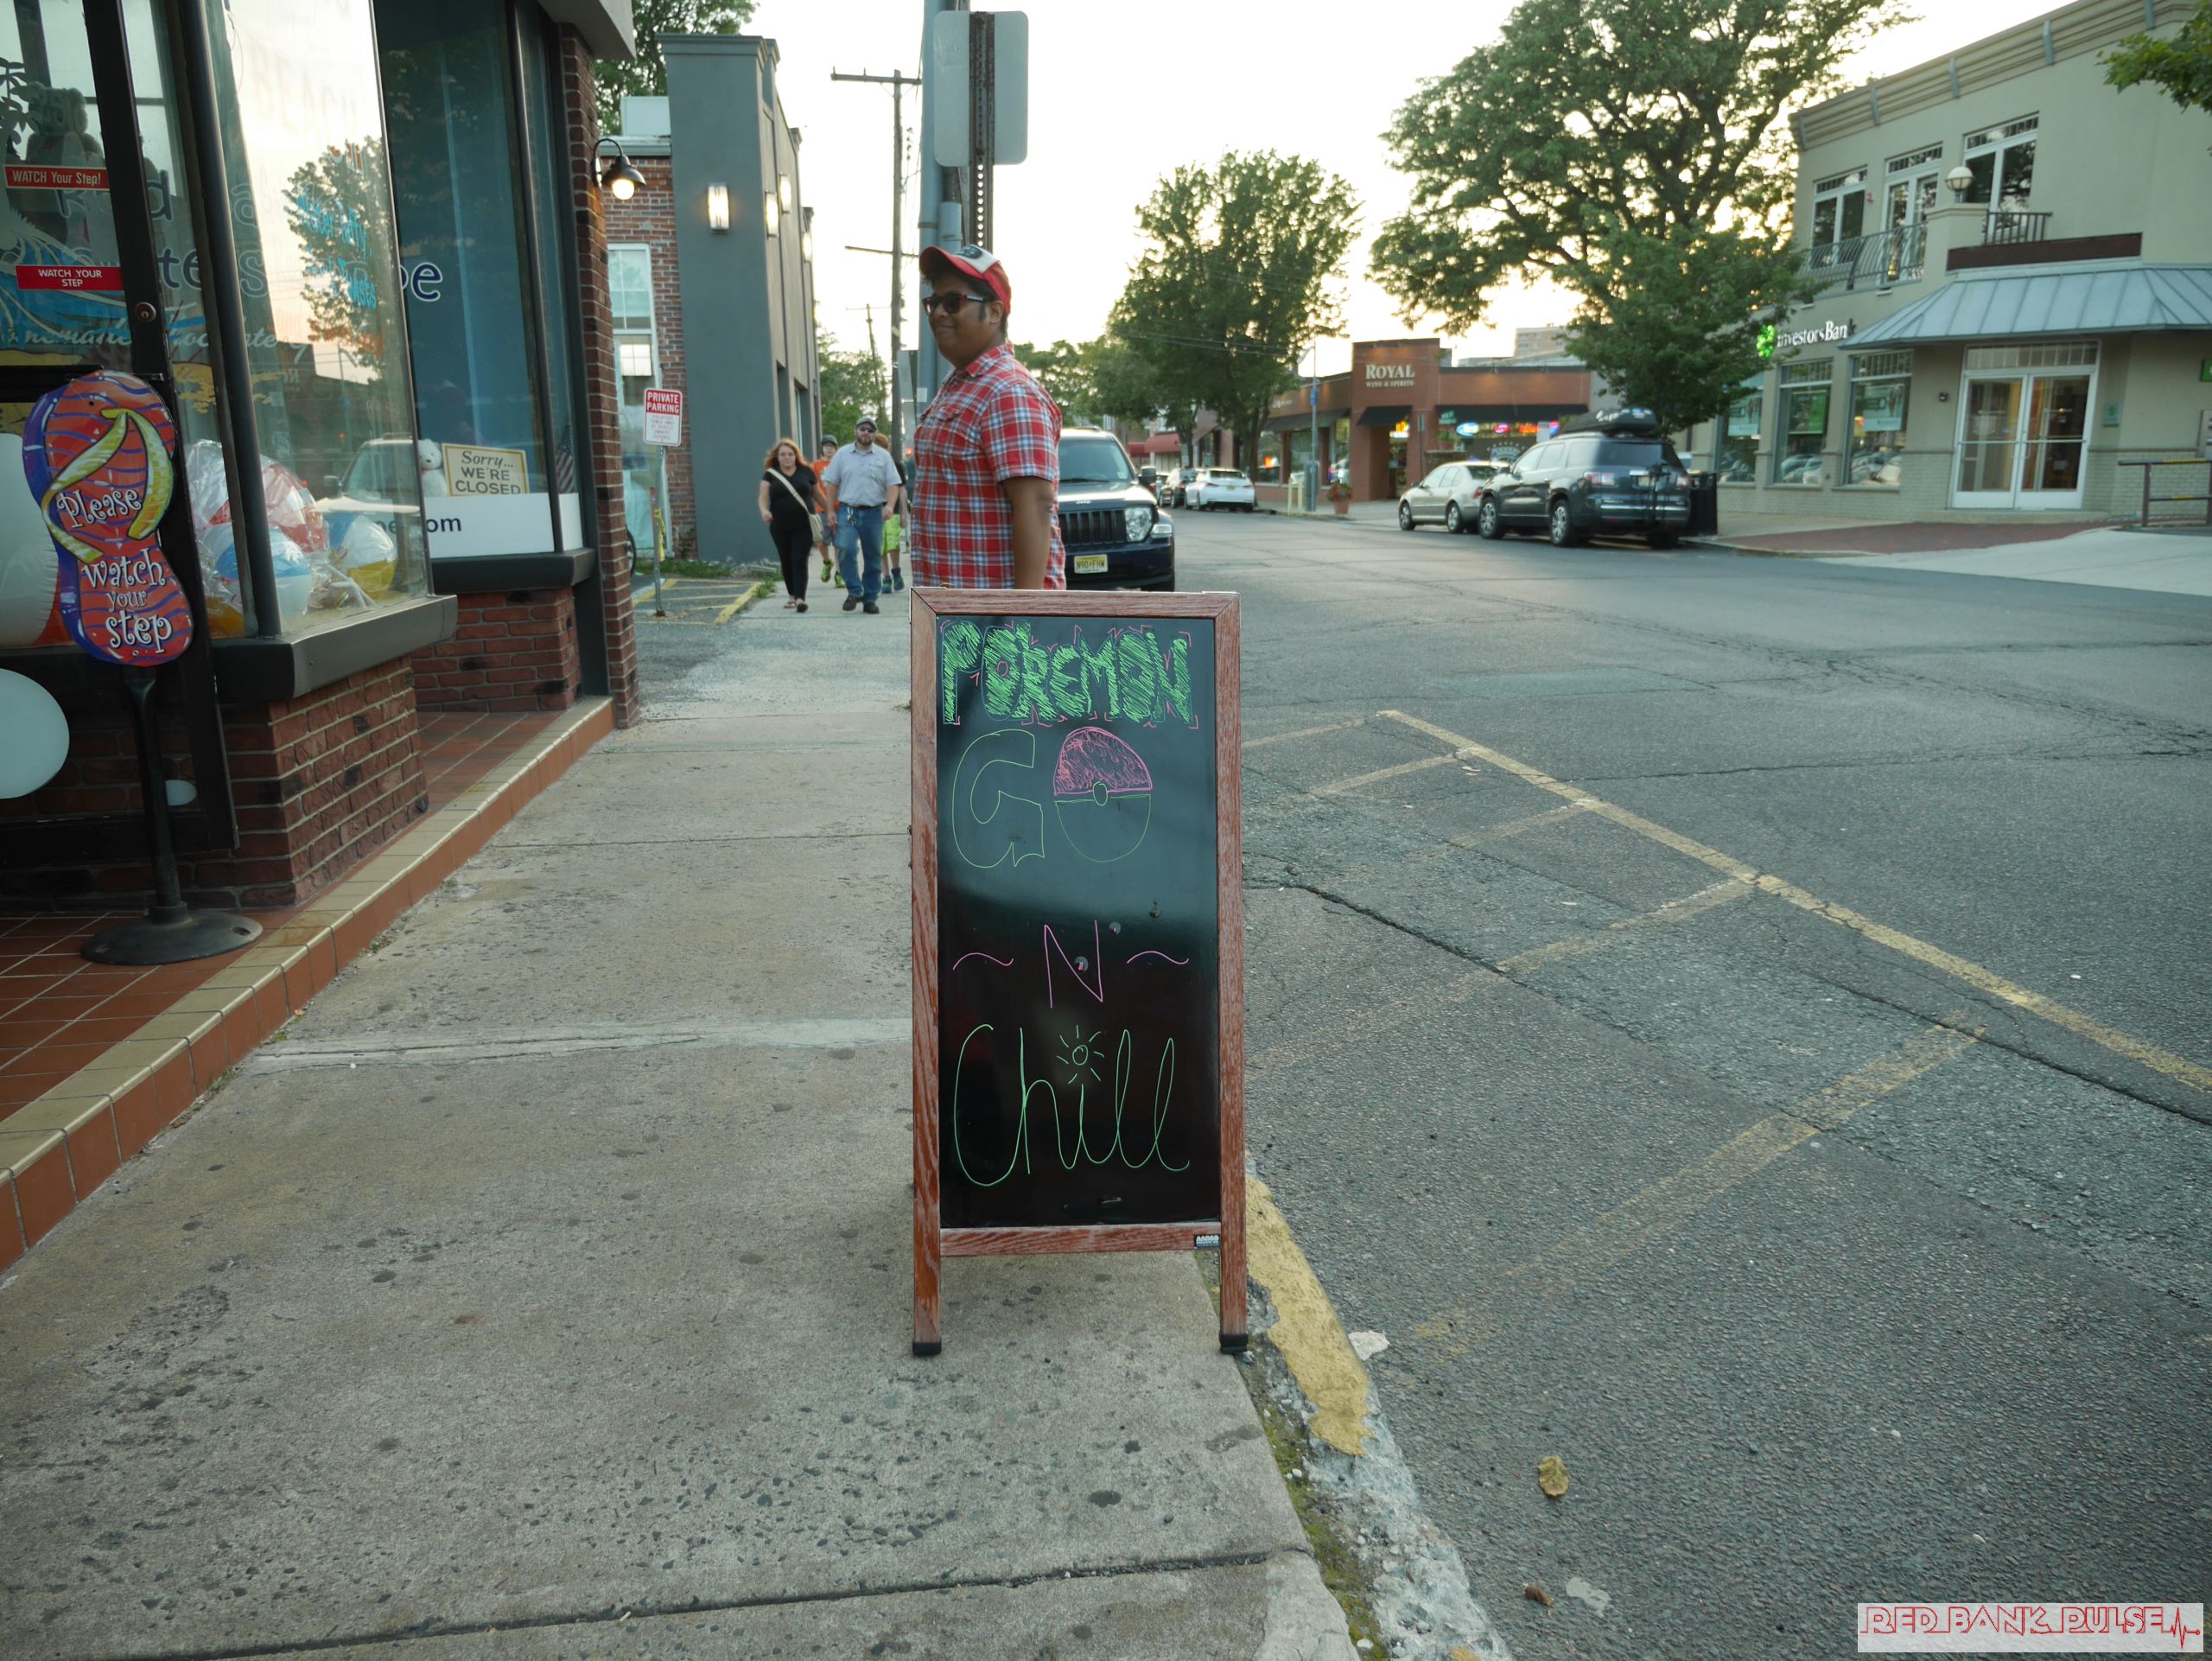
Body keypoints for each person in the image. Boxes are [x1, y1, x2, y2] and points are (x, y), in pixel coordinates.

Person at [907, 243, 1063, 589]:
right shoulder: (963, 384)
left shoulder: (1009, 392)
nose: (938, 313)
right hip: (955, 610)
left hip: (994, 617)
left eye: (954, 302)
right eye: (933, 303)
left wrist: (1023, 615)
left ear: (994, 312)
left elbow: (1035, 507)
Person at [821, 417, 904, 614]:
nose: (866, 432)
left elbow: (893, 484)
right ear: (855, 431)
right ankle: (854, 591)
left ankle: (870, 598)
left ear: (875, 434)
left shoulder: (883, 457)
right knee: (845, 548)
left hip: (874, 512)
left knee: (873, 555)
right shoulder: (842, 455)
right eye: (862, 429)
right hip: (848, 510)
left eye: (870, 430)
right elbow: (832, 484)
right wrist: (830, 510)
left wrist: (890, 506)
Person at [756, 436, 820, 613]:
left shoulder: (806, 472)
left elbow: (817, 494)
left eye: (790, 454)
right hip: (780, 526)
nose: (787, 457)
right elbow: (763, 497)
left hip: (804, 525)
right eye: (783, 454)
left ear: (796, 456)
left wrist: (831, 511)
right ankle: (791, 595)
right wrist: (764, 511)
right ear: (777, 457)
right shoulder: (771, 474)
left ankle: (800, 599)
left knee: (799, 560)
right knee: (787, 560)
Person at [814, 437, 840, 583]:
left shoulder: (841, 464)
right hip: (822, 508)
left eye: (832, 446)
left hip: (840, 507)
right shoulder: (815, 466)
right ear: (822, 449)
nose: (829, 449)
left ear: (836, 449)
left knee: (839, 542)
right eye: (826, 446)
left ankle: (839, 574)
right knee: (822, 541)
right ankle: (827, 562)